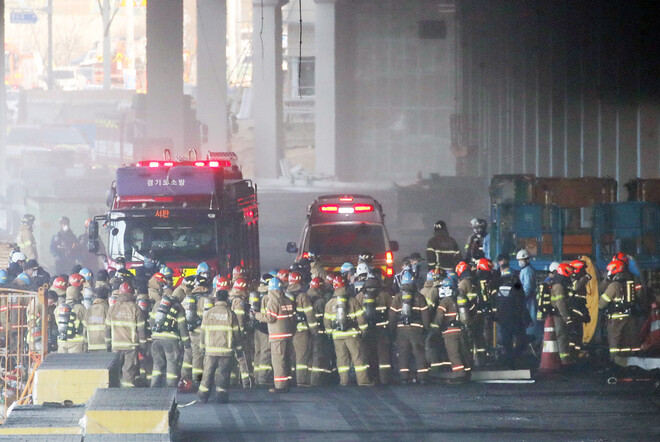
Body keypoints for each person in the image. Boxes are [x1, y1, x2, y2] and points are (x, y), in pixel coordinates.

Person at [324, 275, 371, 386]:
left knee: (341, 359)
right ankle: (363, 381)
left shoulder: (329, 303)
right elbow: (361, 318)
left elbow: (326, 322)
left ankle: (344, 381)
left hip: (337, 336)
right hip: (352, 335)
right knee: (358, 358)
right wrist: (364, 331)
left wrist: (330, 333)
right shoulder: (353, 301)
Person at [198, 289, 243, 404]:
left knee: (207, 373)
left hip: (210, 350)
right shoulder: (230, 314)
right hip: (226, 351)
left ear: (216, 299)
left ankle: (203, 396)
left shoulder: (208, 313)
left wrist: (202, 347)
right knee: (223, 374)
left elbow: (202, 332)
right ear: (227, 299)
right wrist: (238, 349)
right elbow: (236, 334)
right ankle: (221, 396)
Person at [255, 277, 296, 393]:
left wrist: (256, 315)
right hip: (288, 334)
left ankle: (280, 386)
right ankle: (288, 382)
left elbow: (270, 318)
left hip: (277, 336)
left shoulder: (273, 301)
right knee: (287, 359)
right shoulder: (287, 300)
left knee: (278, 361)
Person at [389, 270, 431, 384]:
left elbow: (392, 316)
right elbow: (425, 315)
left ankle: (404, 377)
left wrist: (392, 331)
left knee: (403, 353)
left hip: (401, 330)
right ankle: (422, 377)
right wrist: (426, 329)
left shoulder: (397, 298)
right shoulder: (420, 297)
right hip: (416, 329)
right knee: (419, 352)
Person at [599, 259, 642, 361]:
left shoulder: (614, 285)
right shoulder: (631, 282)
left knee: (615, 343)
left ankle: (615, 363)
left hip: (616, 320)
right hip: (630, 317)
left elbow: (601, 304)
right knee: (626, 343)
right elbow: (639, 296)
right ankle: (627, 363)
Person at [106, 282, 147, 387]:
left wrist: (108, 344)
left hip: (116, 346)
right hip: (131, 346)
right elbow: (141, 330)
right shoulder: (136, 309)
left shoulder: (112, 308)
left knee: (115, 372)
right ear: (132, 293)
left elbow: (107, 329)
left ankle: (114, 393)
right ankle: (126, 393)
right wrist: (143, 346)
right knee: (129, 372)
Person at [150, 290, 191, 388]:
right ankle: (170, 389)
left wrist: (154, 333)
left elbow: (151, 321)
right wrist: (186, 344)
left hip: (156, 339)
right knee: (171, 364)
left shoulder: (157, 305)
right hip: (171, 340)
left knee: (157, 364)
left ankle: (153, 387)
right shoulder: (179, 308)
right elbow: (182, 327)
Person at [356, 274, 392, 384]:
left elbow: (357, 315)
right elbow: (392, 312)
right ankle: (385, 379)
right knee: (384, 356)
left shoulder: (359, 296)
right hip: (382, 329)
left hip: (367, 331)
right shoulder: (385, 295)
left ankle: (371, 378)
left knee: (369, 355)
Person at [436, 277, 471, 382]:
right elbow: (472, 310)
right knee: (463, 352)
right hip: (462, 329)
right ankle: (467, 372)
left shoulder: (444, 301)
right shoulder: (461, 297)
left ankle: (459, 374)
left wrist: (438, 327)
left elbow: (439, 318)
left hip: (450, 332)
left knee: (453, 353)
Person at [496, 268, 530, 368]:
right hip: (515, 319)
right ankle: (512, 359)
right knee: (522, 341)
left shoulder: (498, 289)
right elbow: (521, 304)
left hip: (502, 320)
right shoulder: (517, 287)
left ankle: (507, 362)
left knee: (507, 344)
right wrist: (526, 319)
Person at [288, 271, 318, 386]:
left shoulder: (284, 294)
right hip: (301, 331)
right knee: (302, 356)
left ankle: (290, 378)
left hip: (288, 330)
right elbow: (310, 314)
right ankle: (302, 381)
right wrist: (314, 330)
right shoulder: (303, 296)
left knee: (291, 356)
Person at [250, 274, 273, 385]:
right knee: (266, 352)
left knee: (258, 352)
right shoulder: (268, 296)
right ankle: (263, 378)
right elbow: (267, 314)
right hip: (265, 328)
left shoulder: (257, 293)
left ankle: (256, 376)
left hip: (257, 328)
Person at [550, 263, 576, 364]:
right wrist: (567, 318)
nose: (570, 277)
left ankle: (566, 360)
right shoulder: (559, 286)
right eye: (569, 275)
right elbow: (561, 303)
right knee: (562, 337)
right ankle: (564, 361)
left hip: (561, 314)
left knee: (565, 337)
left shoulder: (561, 284)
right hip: (559, 316)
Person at [55, 274, 87, 353]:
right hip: (76, 342)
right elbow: (86, 325)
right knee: (75, 364)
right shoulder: (80, 308)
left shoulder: (58, 309)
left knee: (62, 364)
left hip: (62, 341)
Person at [516, 250, 540, 345]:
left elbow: (528, 287)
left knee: (530, 319)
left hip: (528, 300)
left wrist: (520, 297)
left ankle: (533, 340)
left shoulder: (527, 271)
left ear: (526, 260)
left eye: (521, 260)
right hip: (527, 299)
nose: (520, 262)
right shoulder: (525, 270)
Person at [83, 286, 110, 352]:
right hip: (104, 346)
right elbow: (109, 328)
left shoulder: (89, 309)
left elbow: (85, 329)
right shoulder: (107, 309)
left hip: (91, 346)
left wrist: (85, 345)